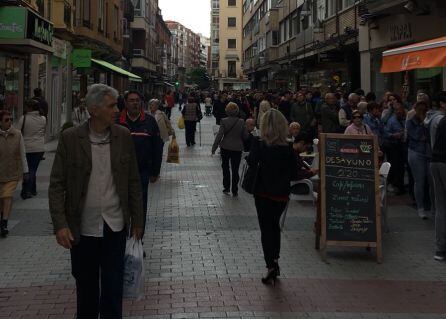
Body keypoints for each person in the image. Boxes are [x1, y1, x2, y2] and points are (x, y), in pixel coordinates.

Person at [48, 84, 144, 318]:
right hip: (82, 229)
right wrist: (60, 224)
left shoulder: (122, 136)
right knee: (86, 290)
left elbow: (133, 180)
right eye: (111, 105)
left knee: (113, 290)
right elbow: (57, 184)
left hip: (115, 226)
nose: (116, 110)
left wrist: (138, 220)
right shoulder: (71, 139)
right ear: (94, 109)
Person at [247, 109, 298, 285]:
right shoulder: (288, 148)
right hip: (281, 194)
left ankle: (271, 265)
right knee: (274, 226)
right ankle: (274, 259)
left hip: (262, 192)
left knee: (266, 228)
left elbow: (251, 162)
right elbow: (295, 171)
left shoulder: (259, 143)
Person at [118, 91, 163, 240]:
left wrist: (155, 171)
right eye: (131, 100)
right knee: (120, 207)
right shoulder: (118, 120)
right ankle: (121, 241)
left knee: (139, 207)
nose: (135, 103)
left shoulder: (149, 121)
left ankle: (136, 241)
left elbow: (157, 147)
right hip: (120, 173)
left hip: (141, 172)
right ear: (125, 103)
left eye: (137, 100)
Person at [0, 110, 28, 237]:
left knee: (7, 197)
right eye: (6, 120)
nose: (10, 121)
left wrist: (25, 171)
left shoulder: (17, 135)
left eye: (11, 119)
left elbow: (22, 154)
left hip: (12, 174)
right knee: (2, 200)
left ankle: (4, 223)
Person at [212, 102, 248, 197]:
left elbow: (220, 135)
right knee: (235, 169)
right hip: (237, 148)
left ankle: (226, 187)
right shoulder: (241, 122)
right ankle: (235, 190)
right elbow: (245, 136)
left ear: (227, 110)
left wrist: (214, 147)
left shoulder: (223, 121)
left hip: (225, 147)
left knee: (225, 167)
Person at [17, 99, 46, 199]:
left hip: (27, 147)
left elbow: (17, 132)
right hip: (39, 148)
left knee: (29, 170)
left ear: (29, 108)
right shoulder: (43, 118)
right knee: (33, 169)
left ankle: (27, 190)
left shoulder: (23, 118)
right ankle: (33, 189)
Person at [406, 101, 429, 219]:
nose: (422, 113)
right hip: (416, 152)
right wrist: (422, 124)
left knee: (430, 181)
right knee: (419, 181)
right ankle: (420, 207)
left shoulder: (428, 121)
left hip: (428, 153)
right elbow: (418, 137)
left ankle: (430, 206)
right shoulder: (411, 122)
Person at [383, 102, 406, 195]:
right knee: (395, 167)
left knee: (402, 167)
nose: (398, 112)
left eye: (399, 110)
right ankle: (396, 186)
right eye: (396, 110)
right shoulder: (391, 121)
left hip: (403, 145)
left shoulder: (406, 119)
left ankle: (401, 185)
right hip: (393, 146)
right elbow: (386, 134)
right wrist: (394, 135)